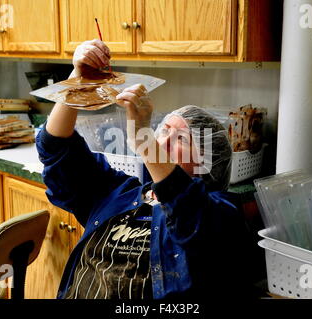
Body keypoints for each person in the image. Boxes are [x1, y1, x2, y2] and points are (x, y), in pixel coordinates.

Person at [36, 39, 256, 300]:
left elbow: (188, 209)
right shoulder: (118, 192)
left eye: (181, 139)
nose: (162, 142)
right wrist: (80, 82)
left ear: (205, 163)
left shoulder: (220, 212)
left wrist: (145, 139)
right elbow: (57, 150)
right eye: (162, 130)